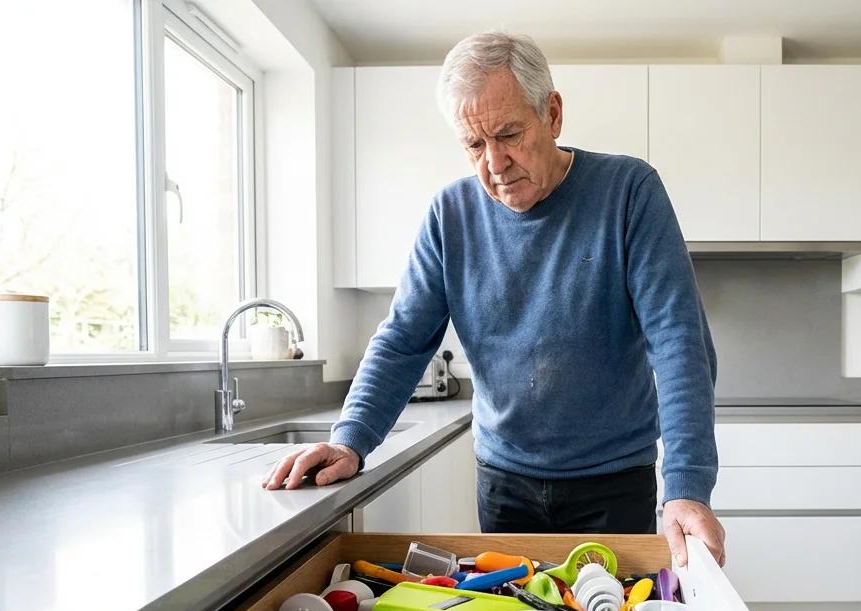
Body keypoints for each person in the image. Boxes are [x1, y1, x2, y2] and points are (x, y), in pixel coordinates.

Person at [262, 31, 724, 567]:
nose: (494, 163)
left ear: (552, 114)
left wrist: (687, 484)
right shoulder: (449, 215)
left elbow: (678, 342)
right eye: (474, 146)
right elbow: (403, 340)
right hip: (504, 483)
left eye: (509, 134)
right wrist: (349, 440)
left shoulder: (628, 191)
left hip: (614, 484)